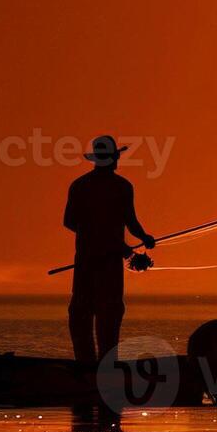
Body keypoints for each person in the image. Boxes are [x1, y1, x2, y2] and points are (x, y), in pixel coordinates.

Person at [63, 135, 156, 363]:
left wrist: (92, 237)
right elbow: (131, 222)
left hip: (85, 261)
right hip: (108, 266)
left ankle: (85, 366)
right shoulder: (122, 187)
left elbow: (69, 221)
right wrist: (143, 237)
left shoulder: (80, 185)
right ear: (114, 159)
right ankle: (105, 367)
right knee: (108, 315)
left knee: (81, 315)